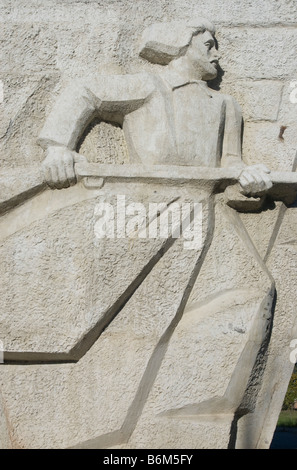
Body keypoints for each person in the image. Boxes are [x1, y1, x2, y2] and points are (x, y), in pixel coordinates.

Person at [38, 18, 272, 196]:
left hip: (199, 204)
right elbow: (84, 90)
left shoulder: (226, 104)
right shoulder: (148, 84)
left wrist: (248, 178)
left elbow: (231, 163)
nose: (217, 54)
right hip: (140, 203)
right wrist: (57, 148)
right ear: (181, 45)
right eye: (208, 45)